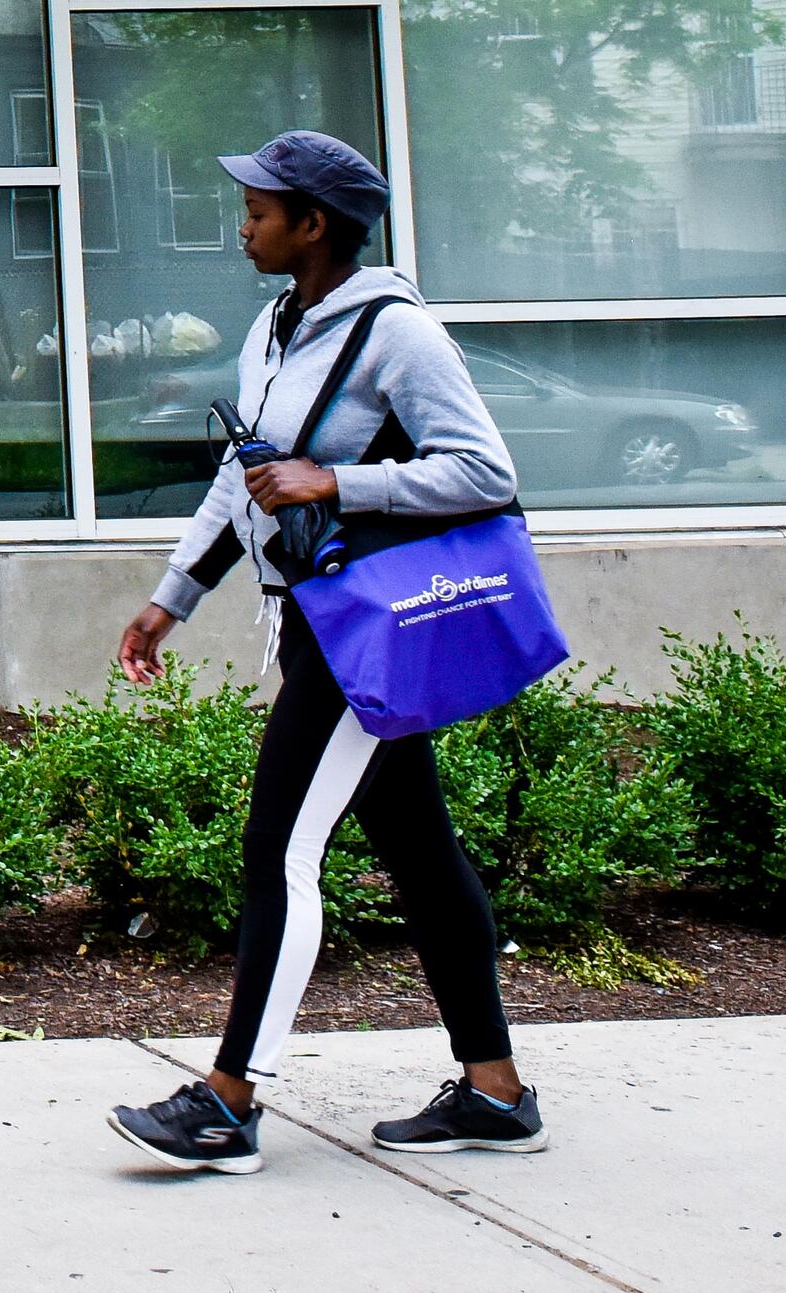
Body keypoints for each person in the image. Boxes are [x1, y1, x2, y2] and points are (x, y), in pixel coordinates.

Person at [103, 129, 546, 1174]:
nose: (242, 223)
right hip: (308, 619)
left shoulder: (397, 333)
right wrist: (172, 599)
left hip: (363, 633)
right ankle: (494, 1093)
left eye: (258, 208)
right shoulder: (274, 325)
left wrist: (337, 483)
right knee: (422, 855)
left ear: (312, 224)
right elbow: (242, 476)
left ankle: (226, 1103)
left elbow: (482, 472)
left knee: (277, 855)